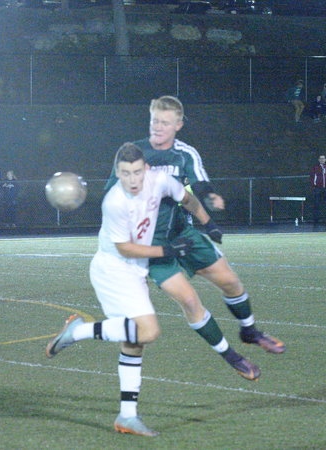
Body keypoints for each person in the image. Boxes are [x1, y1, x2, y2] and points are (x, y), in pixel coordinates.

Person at [107, 96, 283, 381]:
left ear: (178, 125)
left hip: (184, 234)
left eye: (165, 122)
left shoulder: (184, 154)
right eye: (154, 121)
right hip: (153, 248)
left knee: (230, 281)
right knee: (190, 301)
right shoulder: (133, 154)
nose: (158, 127)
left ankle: (249, 331)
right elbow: (110, 193)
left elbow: (197, 184)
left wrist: (209, 214)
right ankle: (232, 356)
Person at [46, 143, 205, 437]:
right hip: (113, 270)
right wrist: (169, 250)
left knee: (134, 342)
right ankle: (78, 331)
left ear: (146, 169)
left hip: (135, 270)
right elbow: (126, 248)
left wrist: (207, 223)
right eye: (125, 173)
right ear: (117, 174)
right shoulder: (115, 202)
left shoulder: (161, 181)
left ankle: (127, 417)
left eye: (136, 172)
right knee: (148, 331)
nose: (132, 179)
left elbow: (187, 198)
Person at [310, 154, 326, 226]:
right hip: (318, 188)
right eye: (321, 158)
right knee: (316, 204)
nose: (322, 160)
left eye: (323, 158)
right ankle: (315, 220)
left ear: (325, 159)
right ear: (319, 160)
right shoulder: (315, 168)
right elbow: (312, 178)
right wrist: (314, 186)